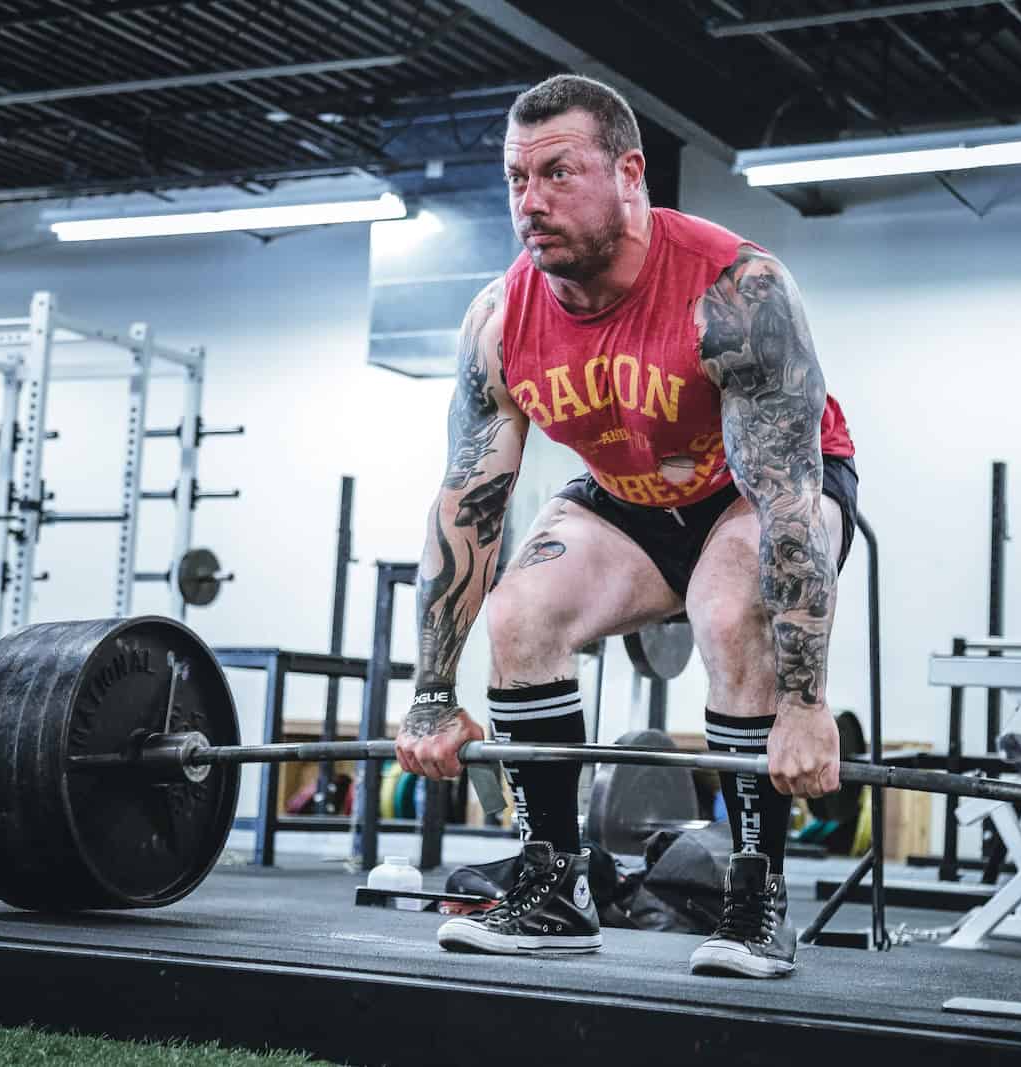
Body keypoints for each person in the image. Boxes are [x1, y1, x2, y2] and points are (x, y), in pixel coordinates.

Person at [393, 74, 858, 979]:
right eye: (516, 180)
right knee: (520, 613)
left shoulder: (737, 291)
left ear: (630, 173)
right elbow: (467, 504)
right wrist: (431, 691)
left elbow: (788, 501)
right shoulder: (500, 321)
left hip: (759, 489)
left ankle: (756, 892)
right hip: (630, 494)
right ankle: (555, 885)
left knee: (729, 605)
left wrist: (805, 704)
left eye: (558, 174)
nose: (531, 203)